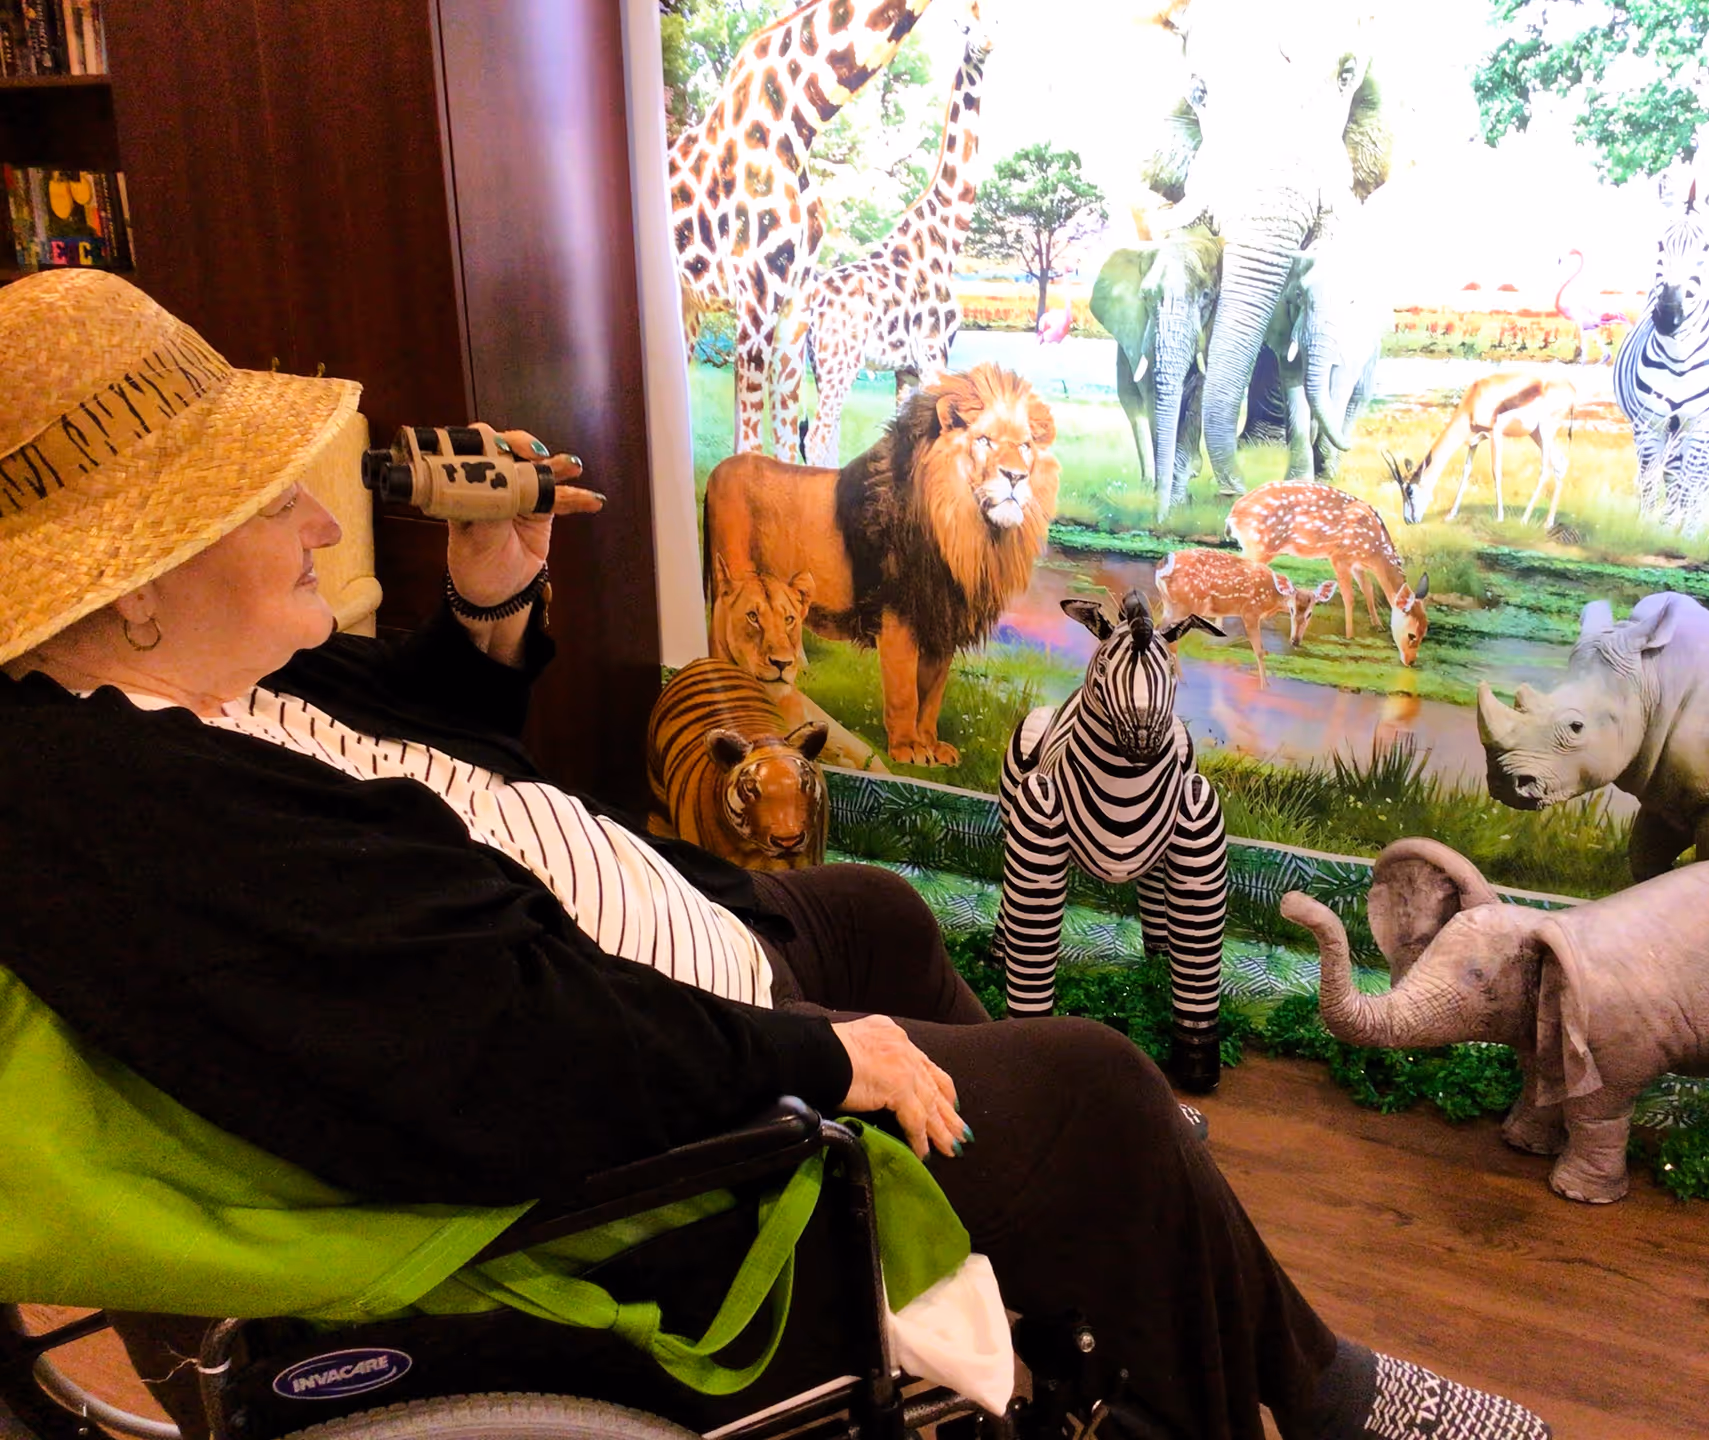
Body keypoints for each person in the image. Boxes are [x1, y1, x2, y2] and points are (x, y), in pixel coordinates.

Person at [0, 270, 1552, 1440]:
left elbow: (425, 756)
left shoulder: (206, 696)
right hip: (648, 1126)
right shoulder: (159, 820)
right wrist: (814, 1050)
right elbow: (503, 1043)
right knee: (1089, 1083)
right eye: (266, 503)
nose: (322, 529)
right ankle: (1301, 1380)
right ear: (135, 586)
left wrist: (489, 604)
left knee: (876, 907)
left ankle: (1084, 1234)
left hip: (672, 955)